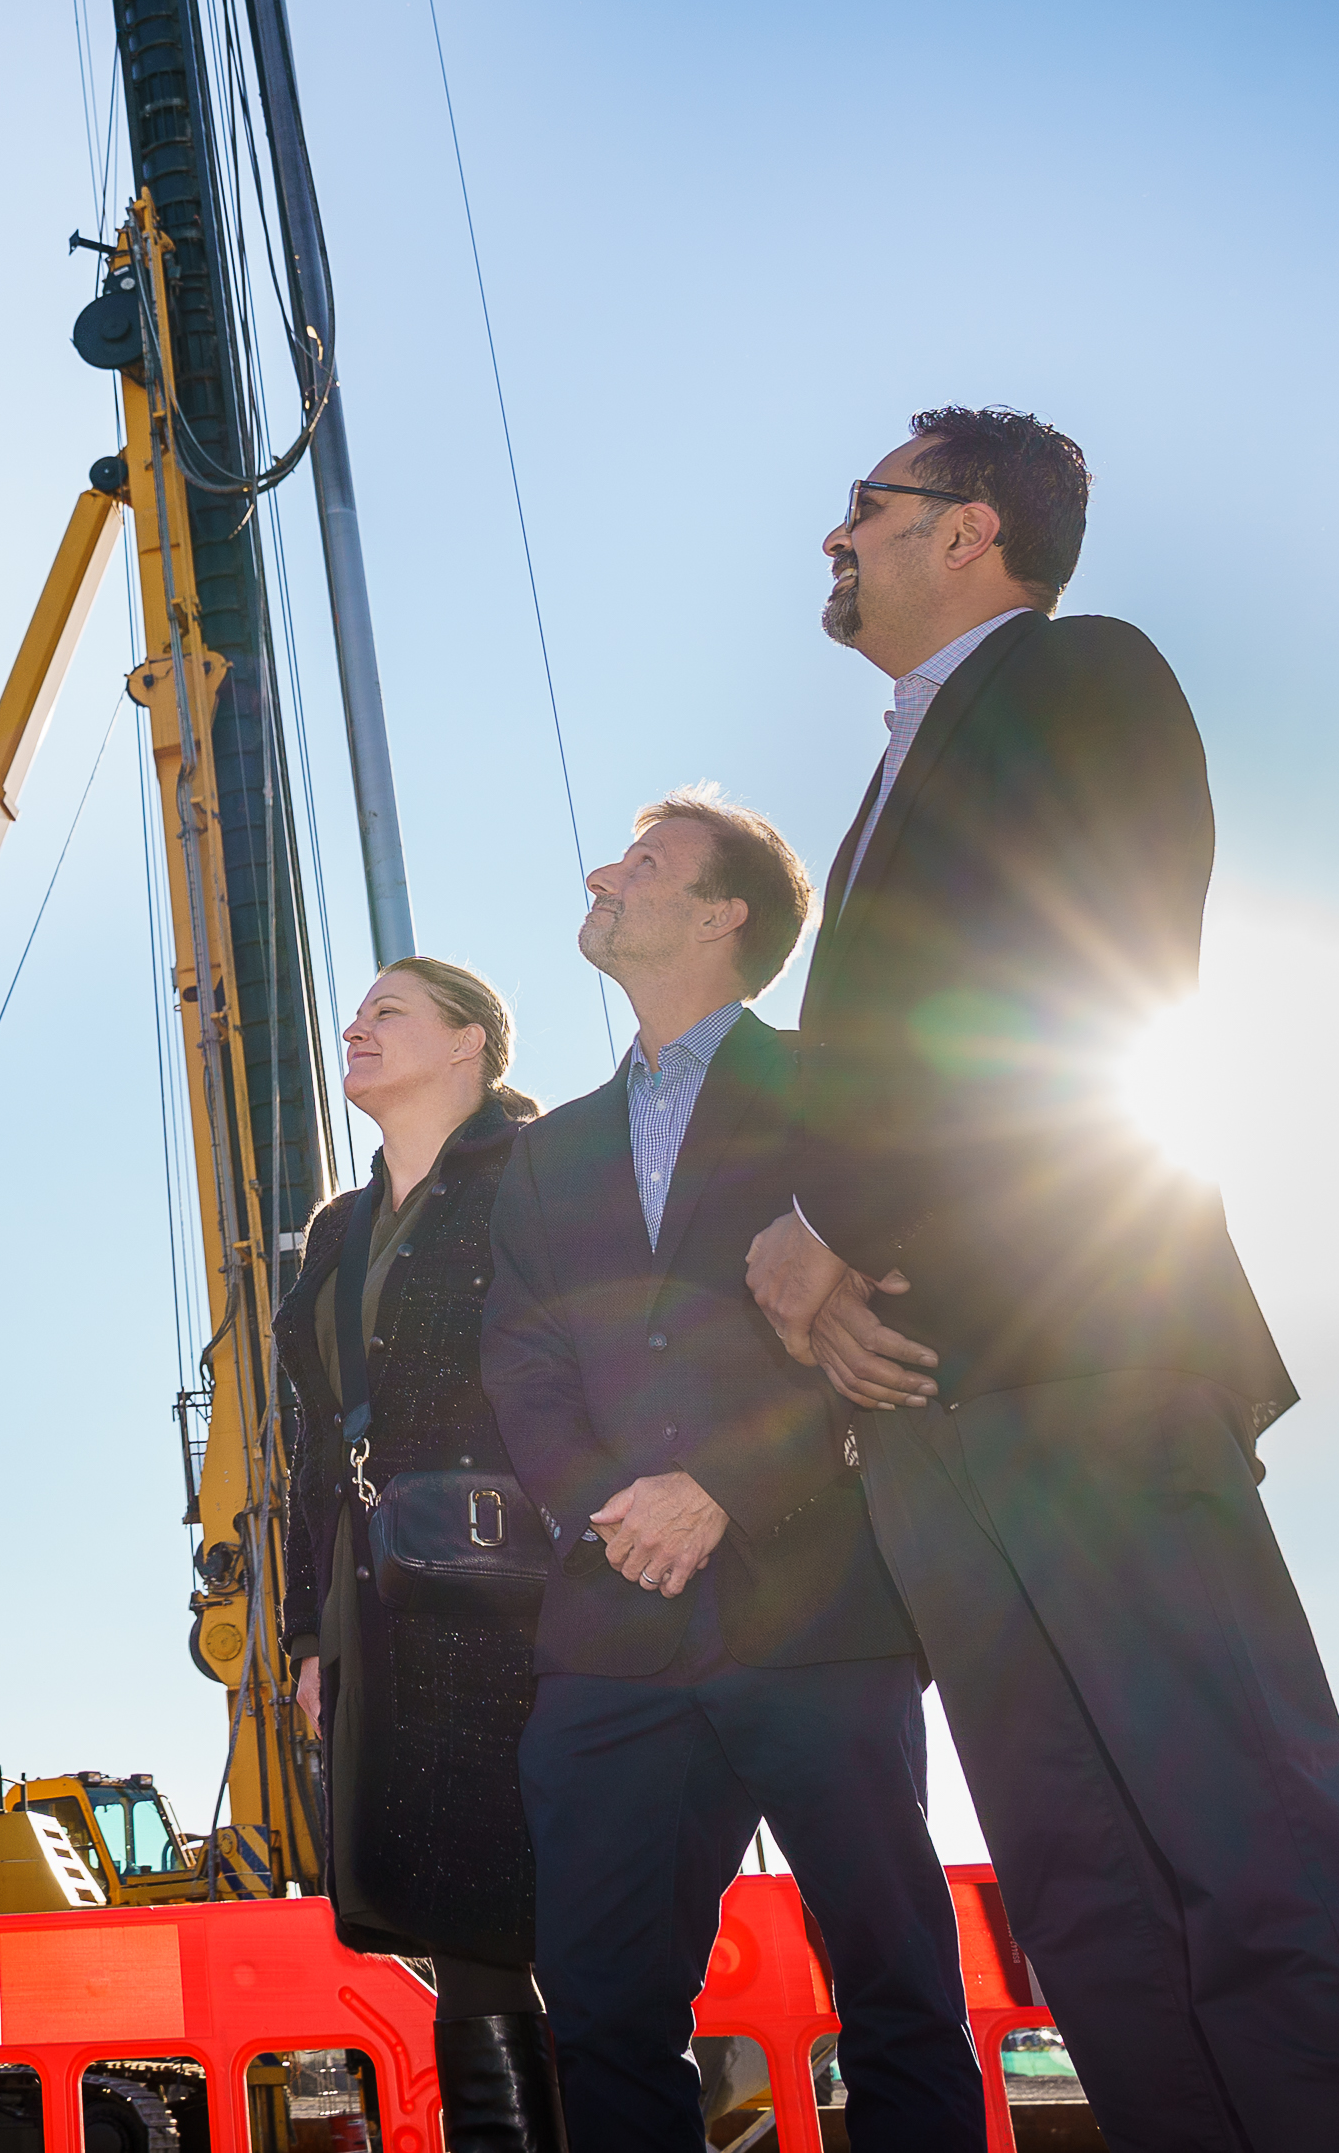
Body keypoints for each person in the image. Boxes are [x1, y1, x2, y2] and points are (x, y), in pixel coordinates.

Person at [745, 407, 1339, 2151]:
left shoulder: (1082, 683)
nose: (834, 534)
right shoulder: (899, 764)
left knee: (1243, 1836)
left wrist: (818, 1226)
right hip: (931, 1412)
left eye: (869, 503)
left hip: (1091, 1359)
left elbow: (1064, 969)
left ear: (970, 533)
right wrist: (826, 1292)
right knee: (1086, 1895)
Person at [482, 791, 979, 2152]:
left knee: (894, 1981)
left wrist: (718, 1489)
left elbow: (893, 1321)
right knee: (598, 2007)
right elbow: (520, 1359)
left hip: (815, 1605)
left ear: (722, 915)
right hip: (612, 1630)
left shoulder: (834, 1094)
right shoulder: (544, 1151)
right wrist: (610, 1502)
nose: (604, 872)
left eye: (643, 862)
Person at [274, 956, 566, 2153]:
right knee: (457, 1916)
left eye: (388, 1010)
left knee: (554, 1900)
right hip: (382, 1595)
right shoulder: (336, 1232)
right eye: (353, 1012)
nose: (355, 1026)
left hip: (527, 1583)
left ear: (469, 1045)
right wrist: (303, 1634)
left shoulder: (535, 1174)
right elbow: (308, 1445)